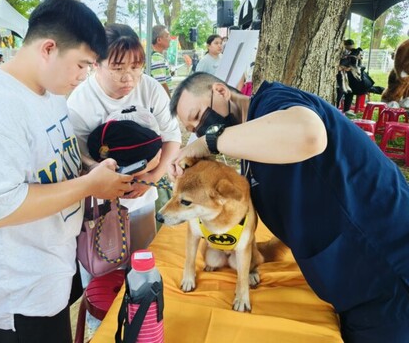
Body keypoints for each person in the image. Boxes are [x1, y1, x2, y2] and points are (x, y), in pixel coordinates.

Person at [168, 72, 409, 343]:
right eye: (193, 129)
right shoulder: (249, 151)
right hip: (351, 285)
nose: (201, 129)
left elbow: (308, 134)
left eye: (199, 116)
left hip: (388, 269)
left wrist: (211, 141)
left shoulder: (274, 101)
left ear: (221, 92)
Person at [0, 0, 132, 343]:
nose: (83, 77)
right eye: (81, 64)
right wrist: (91, 185)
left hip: (51, 268)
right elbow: (0, 207)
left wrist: (94, 170)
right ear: (48, 48)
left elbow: (59, 157)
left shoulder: (51, 94)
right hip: (18, 290)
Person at [67, 23, 181, 253]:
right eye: (117, 68)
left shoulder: (150, 89)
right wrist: (99, 174)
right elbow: (79, 159)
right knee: (103, 270)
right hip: (99, 207)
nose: (128, 78)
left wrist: (150, 178)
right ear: (96, 63)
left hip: (142, 199)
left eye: (136, 67)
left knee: (142, 263)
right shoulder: (79, 103)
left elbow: (172, 137)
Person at [150, 25, 172, 97]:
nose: (170, 39)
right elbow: (161, 84)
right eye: (167, 36)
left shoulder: (154, 55)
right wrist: (170, 102)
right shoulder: (157, 58)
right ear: (159, 40)